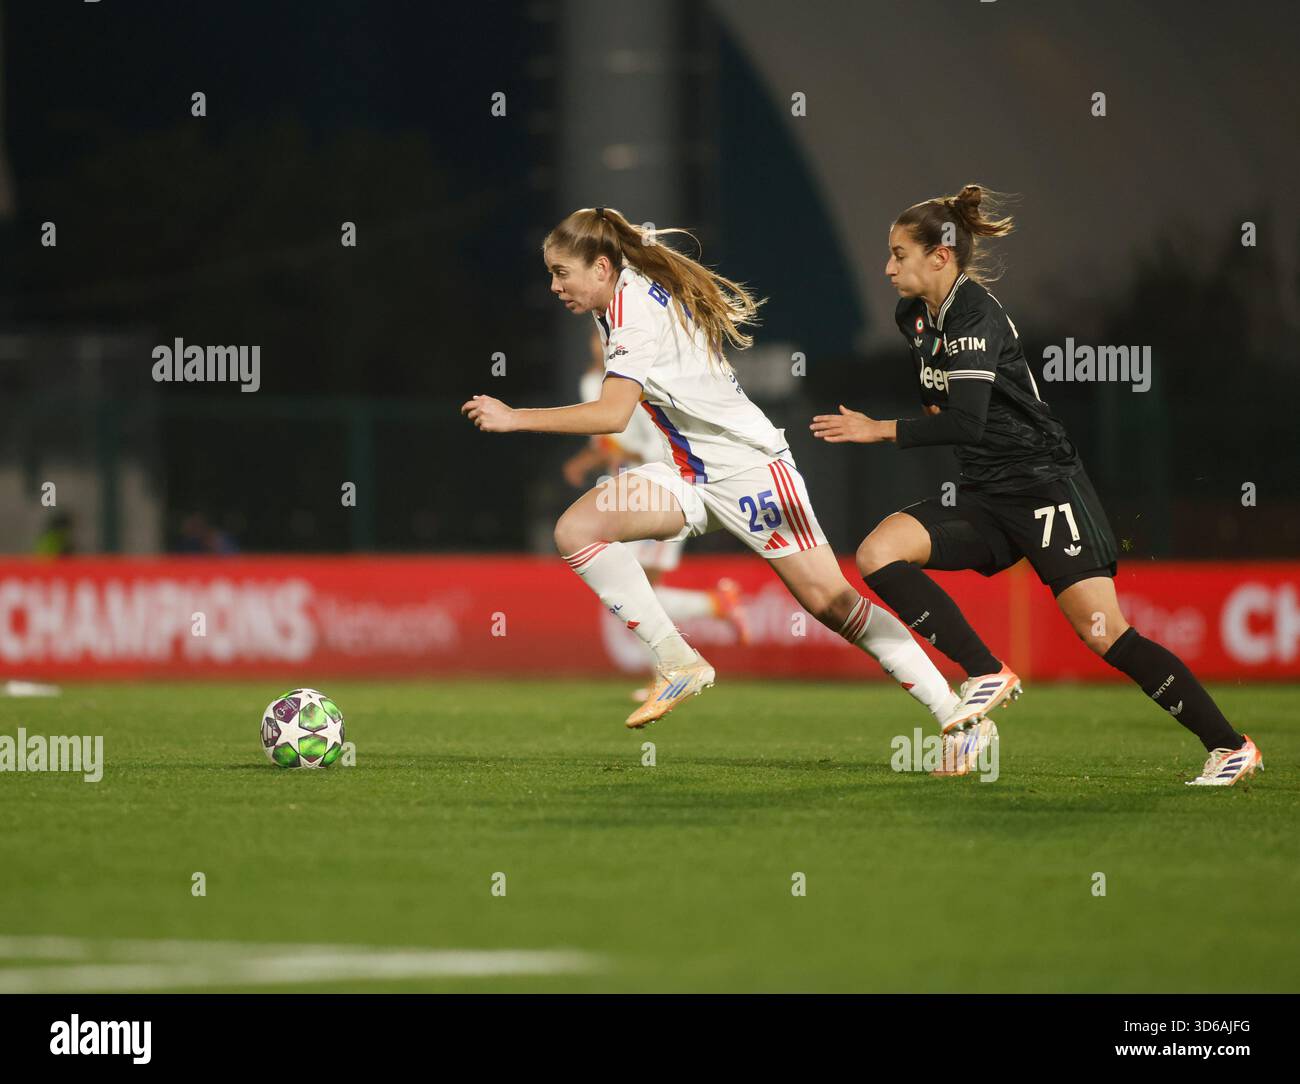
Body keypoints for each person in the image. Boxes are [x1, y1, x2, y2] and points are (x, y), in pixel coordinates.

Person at [811, 184, 1262, 786]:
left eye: (899, 253)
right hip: (986, 492)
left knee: (1104, 635)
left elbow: (967, 423)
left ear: (940, 256)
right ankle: (985, 671)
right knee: (877, 553)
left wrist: (878, 431)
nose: (888, 266)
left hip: (1043, 486)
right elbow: (949, 412)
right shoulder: (914, 316)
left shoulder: (975, 314)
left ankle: (1230, 746)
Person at [463, 205, 963, 734]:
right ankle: (678, 662)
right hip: (687, 472)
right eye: (550, 274)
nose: (554, 286)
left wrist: (514, 417)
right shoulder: (615, 297)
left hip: (748, 469)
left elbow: (612, 413)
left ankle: (957, 714)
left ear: (602, 268)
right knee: (577, 529)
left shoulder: (631, 309)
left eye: (561, 273)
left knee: (832, 602)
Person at [564, 335, 751, 702]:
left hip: (653, 485)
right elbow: (613, 438)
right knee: (638, 589)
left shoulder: (631, 376)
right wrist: (597, 455)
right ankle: (708, 616)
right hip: (638, 483)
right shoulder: (600, 381)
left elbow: (626, 439)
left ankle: (681, 656)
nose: (597, 342)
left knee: (634, 589)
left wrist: (593, 456)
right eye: (592, 336)